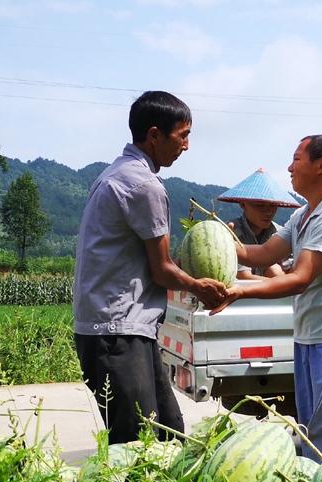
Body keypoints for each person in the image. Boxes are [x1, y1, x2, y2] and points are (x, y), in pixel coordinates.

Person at [73, 91, 227, 445]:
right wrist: (201, 287)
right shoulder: (144, 186)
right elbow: (162, 270)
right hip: (116, 330)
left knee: (169, 432)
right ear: (155, 135)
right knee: (137, 444)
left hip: (121, 328)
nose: (186, 146)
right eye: (182, 136)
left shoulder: (116, 174)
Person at [211, 135, 322, 461]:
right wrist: (218, 238)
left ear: (321, 164)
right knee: (312, 430)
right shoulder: (304, 215)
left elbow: (298, 280)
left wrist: (240, 290)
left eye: (296, 158)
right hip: (311, 337)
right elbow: (261, 252)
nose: (289, 166)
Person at [217, 168, 301, 279]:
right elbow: (244, 276)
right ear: (243, 204)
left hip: (275, 291)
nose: (268, 212)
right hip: (240, 293)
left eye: (272, 205)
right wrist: (284, 285)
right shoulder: (231, 232)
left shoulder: (280, 232)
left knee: (273, 269)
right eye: (260, 205)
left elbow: (292, 269)